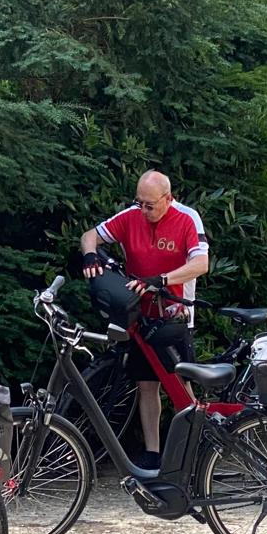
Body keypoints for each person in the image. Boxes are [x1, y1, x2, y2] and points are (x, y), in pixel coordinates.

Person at [78, 171, 209, 470]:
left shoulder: (187, 218)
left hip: (174, 315)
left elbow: (201, 264)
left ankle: (196, 452)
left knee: (180, 387)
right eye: (140, 203)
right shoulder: (131, 216)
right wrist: (90, 255)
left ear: (168, 199)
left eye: (150, 205)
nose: (144, 210)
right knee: (146, 385)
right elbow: (89, 235)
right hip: (140, 315)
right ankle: (152, 454)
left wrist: (162, 280)